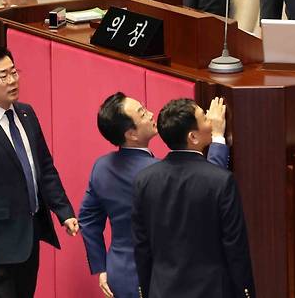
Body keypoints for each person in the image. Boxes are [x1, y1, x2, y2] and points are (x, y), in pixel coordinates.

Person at [0, 46, 78, 298]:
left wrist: (63, 211)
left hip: (28, 238)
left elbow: (44, 167)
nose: (12, 81)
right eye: (3, 76)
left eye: (14, 72)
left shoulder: (26, 113)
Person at [79, 93, 229, 298]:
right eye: (142, 113)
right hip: (160, 276)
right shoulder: (159, 173)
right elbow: (207, 185)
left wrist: (101, 267)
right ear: (131, 134)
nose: (151, 114)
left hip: (119, 274)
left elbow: (87, 219)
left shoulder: (101, 167)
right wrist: (218, 136)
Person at [132, 98, 255, 298]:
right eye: (205, 117)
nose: (211, 120)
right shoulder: (221, 181)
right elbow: (236, 249)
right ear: (193, 137)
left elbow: (142, 248)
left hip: (162, 290)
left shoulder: (144, 181)